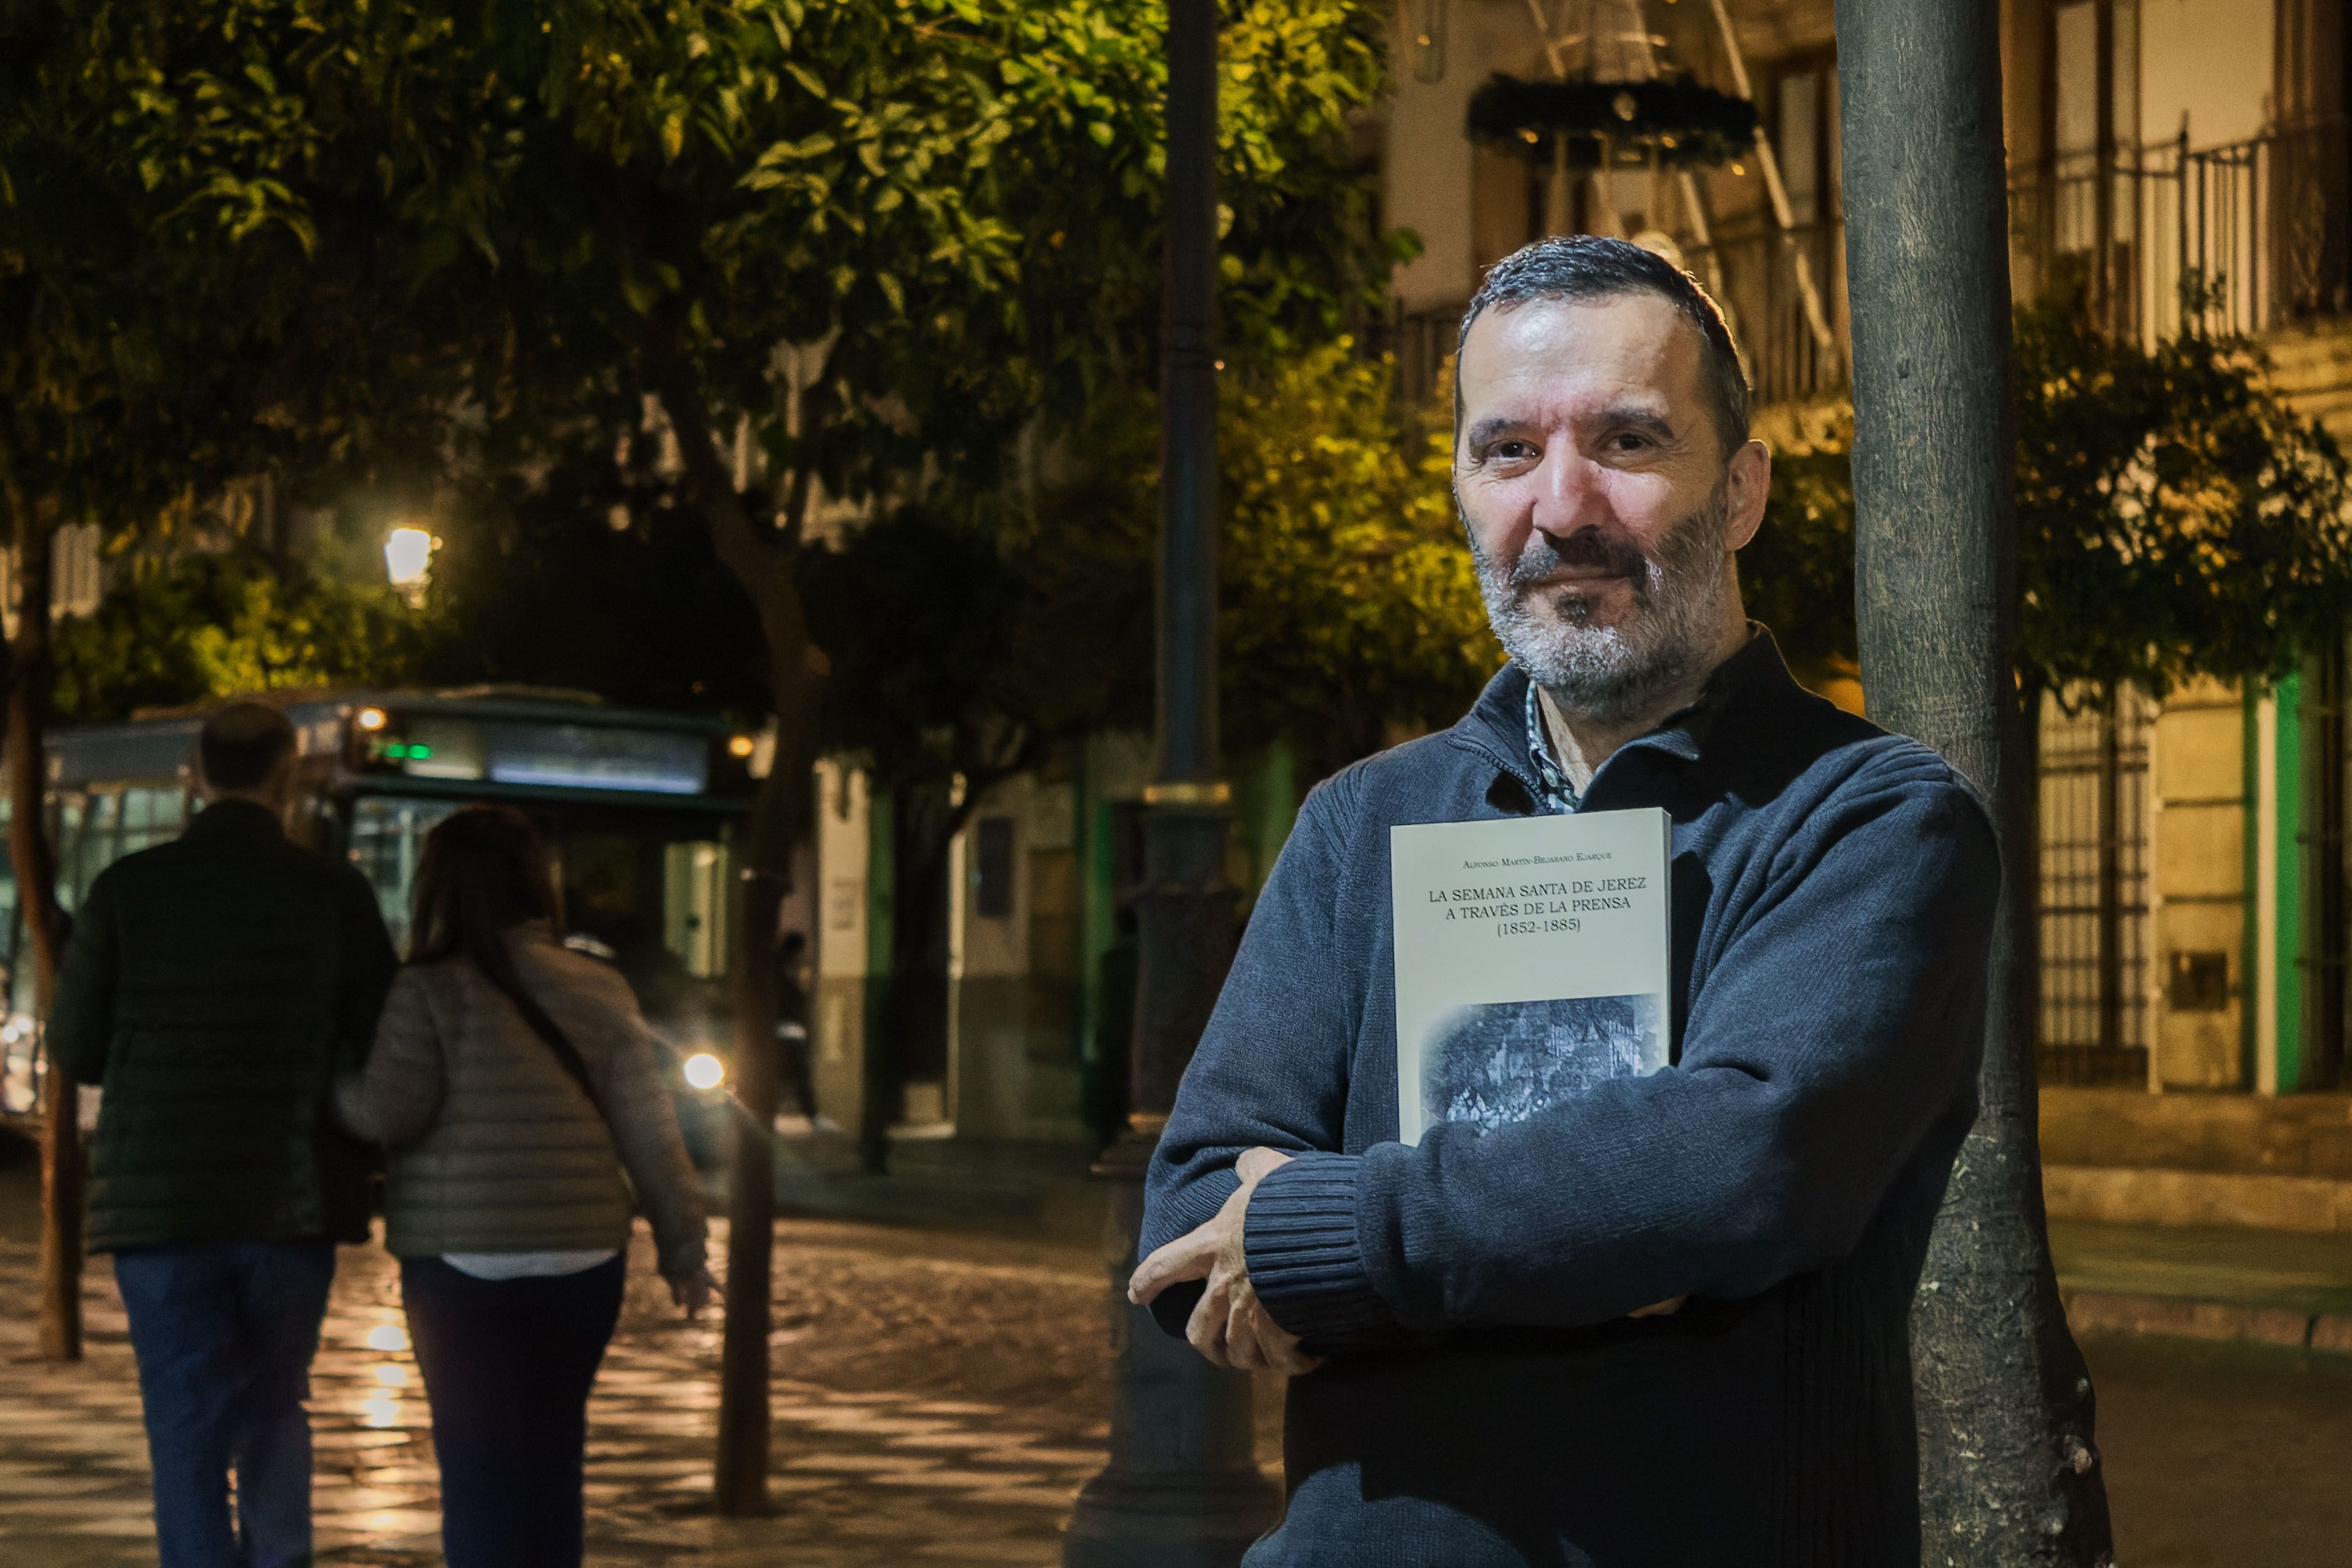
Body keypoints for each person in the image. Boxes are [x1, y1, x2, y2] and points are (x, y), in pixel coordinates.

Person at [1129, 235, 2003, 1566]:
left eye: (1629, 442)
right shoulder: (1359, 824)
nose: (1562, 504)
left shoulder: (1874, 819)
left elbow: (1740, 1165)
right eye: (1508, 451)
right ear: (1465, 492)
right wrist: (1594, 1234)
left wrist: (1327, 1227)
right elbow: (1192, 1206)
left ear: (1747, 489)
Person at [50, 701, 399, 1568]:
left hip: (159, 1209)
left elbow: (77, 1051)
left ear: (196, 776)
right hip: (292, 1198)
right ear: (287, 778)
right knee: (275, 1407)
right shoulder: (335, 894)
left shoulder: (127, 890)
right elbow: (381, 1041)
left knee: (184, 1420)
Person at [336, 805, 711, 1568]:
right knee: (552, 1462)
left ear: (436, 888)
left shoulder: (429, 989)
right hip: (584, 1259)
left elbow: (386, 1112)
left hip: (463, 1265)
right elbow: (652, 1132)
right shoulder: (601, 986)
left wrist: (333, 1086)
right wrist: (684, 1248)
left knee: (480, 1474)